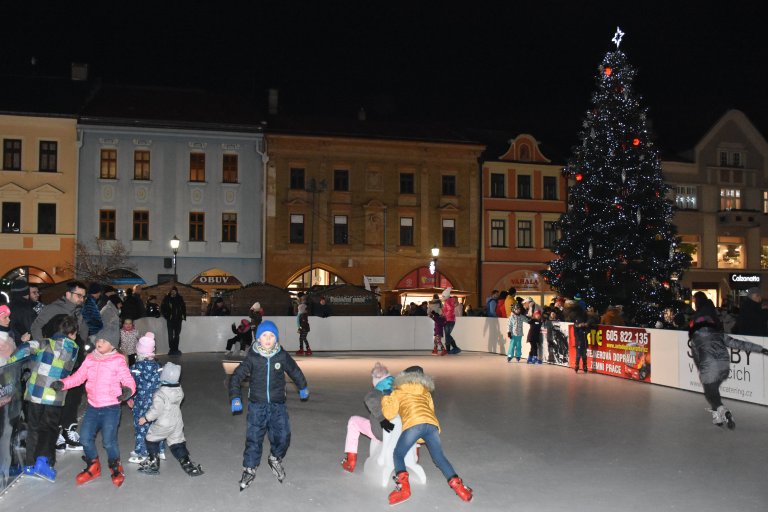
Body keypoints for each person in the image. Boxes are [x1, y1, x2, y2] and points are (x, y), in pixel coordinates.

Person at [51, 316, 136, 487]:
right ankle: (93, 465)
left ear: (112, 344)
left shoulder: (118, 360)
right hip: (93, 406)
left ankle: (115, 466)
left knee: (109, 441)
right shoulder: (90, 358)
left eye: (104, 341)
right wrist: (63, 383)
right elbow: (79, 377)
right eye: (99, 339)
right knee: (84, 438)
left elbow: (128, 379)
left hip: (111, 407)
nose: (99, 342)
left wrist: (128, 390)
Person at [228, 320, 309, 491]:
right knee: (254, 438)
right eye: (264, 335)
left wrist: (302, 386)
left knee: (283, 436)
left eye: (272, 336)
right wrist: (236, 397)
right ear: (258, 338)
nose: (268, 339)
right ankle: (249, 468)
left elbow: (294, 370)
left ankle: (275, 458)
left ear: (276, 339)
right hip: (257, 406)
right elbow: (236, 376)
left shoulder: (281, 355)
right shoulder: (252, 357)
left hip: (278, 405)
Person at [381, 366, 473, 505]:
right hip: (431, 425)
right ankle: (461, 489)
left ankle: (403, 489)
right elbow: (430, 410)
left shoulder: (398, 390)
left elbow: (389, 414)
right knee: (439, 458)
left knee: (398, 454)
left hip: (413, 425)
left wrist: (386, 396)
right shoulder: (426, 392)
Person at [688, 291, 768, 428]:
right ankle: (717, 418)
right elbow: (740, 344)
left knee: (710, 393)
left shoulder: (695, 338)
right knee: (714, 389)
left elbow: (697, 358)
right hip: (724, 366)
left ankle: (723, 411)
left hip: (709, 367)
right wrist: (761, 349)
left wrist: (702, 370)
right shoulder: (719, 334)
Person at [30, 281, 90, 452]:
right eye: (79, 295)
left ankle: (68, 429)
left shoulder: (78, 312)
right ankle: (54, 433)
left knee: (73, 396)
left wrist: (85, 345)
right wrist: (44, 349)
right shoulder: (53, 308)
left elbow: (83, 333)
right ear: (68, 294)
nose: (81, 299)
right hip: (57, 362)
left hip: (75, 360)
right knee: (56, 397)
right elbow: (36, 326)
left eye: (83, 296)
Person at [21, 315, 79, 482]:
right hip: (55, 395)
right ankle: (45, 461)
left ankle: (30, 464)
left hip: (35, 393)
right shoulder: (73, 349)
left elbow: (23, 350)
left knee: (33, 427)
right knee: (50, 428)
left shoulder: (43, 343)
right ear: (72, 333)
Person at [137, 362, 203, 477]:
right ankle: (187, 464)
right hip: (177, 421)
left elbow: (156, 410)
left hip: (164, 422)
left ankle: (153, 463)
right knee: (177, 442)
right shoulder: (179, 390)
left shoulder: (160, 394)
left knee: (151, 438)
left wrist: (145, 418)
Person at [340, 362, 395, 473]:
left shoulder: (378, 390)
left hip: (382, 432)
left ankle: (350, 461)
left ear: (376, 378)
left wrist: (382, 419)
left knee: (353, 421)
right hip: (401, 433)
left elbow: (370, 399)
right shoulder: (400, 388)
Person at [129, 332, 162, 464]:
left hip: (140, 402)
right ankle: (159, 449)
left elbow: (130, 385)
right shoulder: (159, 367)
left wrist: (129, 398)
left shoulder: (135, 368)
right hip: (156, 402)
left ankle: (141, 452)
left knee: (141, 426)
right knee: (155, 425)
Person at [565, 298, 591, 373]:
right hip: (579, 339)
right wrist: (579, 325)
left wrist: (586, 324)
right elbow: (575, 325)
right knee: (579, 353)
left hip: (584, 339)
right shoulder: (575, 315)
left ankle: (584, 365)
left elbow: (590, 320)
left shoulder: (585, 315)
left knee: (584, 354)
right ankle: (577, 365)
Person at [8, 278, 36, 344]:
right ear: (27, 293)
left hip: (11, 345)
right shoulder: (28, 307)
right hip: (27, 346)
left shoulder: (7, 308)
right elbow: (32, 328)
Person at [161, 286, 187, 356]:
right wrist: (166, 316)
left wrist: (183, 316)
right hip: (170, 320)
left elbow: (183, 307)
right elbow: (163, 308)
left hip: (178, 320)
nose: (173, 292)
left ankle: (176, 348)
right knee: (170, 335)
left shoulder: (180, 298)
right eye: (172, 291)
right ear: (170, 291)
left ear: (177, 291)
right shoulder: (167, 298)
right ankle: (171, 349)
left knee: (177, 335)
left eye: (174, 291)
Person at [442, 288, 462, 354]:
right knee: (447, 335)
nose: (442, 297)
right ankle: (450, 349)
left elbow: (449, 310)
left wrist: (444, 314)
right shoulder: (449, 301)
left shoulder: (447, 302)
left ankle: (454, 348)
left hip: (448, 320)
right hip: (450, 320)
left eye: (443, 296)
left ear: (446, 296)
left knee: (447, 335)